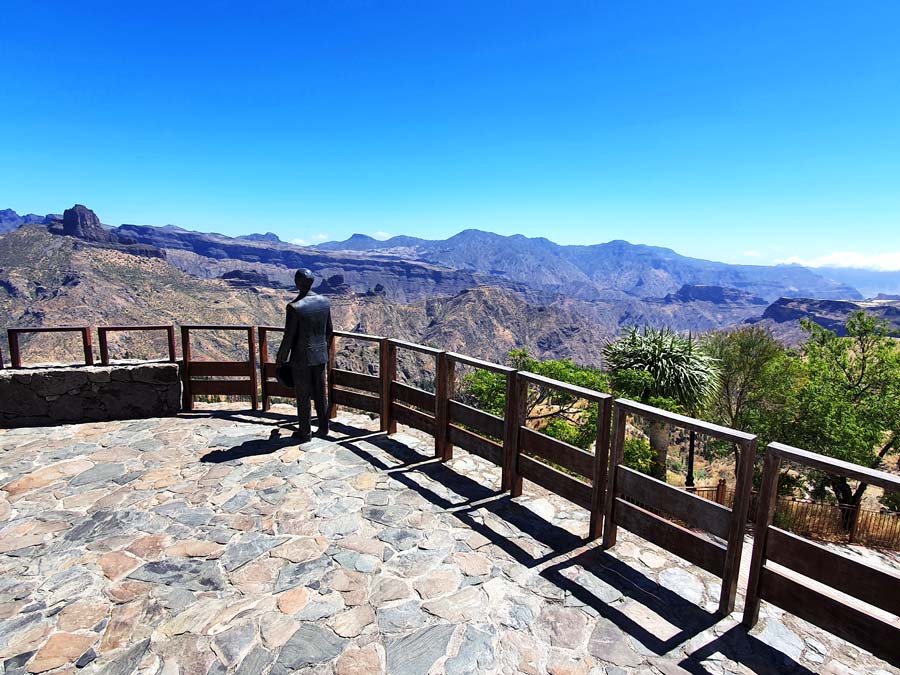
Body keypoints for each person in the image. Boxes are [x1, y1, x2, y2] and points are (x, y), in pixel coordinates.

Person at [276, 268, 333, 442]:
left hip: (301, 358)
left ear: (298, 282)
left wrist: (281, 358)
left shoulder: (294, 307)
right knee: (321, 393)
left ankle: (305, 432)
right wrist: (324, 349)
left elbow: (289, 336)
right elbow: (329, 331)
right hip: (320, 355)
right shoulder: (324, 302)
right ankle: (324, 428)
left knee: (303, 395)